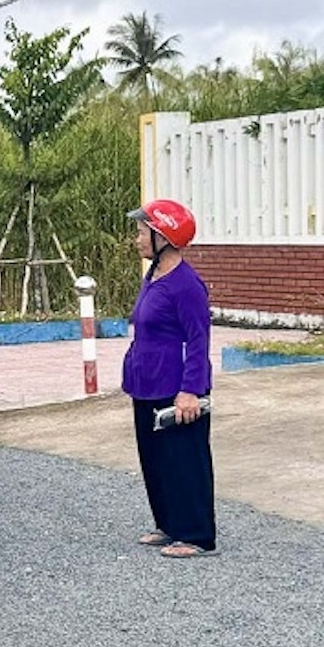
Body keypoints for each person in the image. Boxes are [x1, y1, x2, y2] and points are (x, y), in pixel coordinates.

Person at [123, 199, 216, 558]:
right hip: (147, 383)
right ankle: (169, 524)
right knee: (156, 458)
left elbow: (198, 340)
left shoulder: (186, 285)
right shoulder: (154, 276)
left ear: (163, 237)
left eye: (143, 232)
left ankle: (196, 534)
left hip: (176, 386)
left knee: (184, 460)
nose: (137, 239)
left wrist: (190, 391)